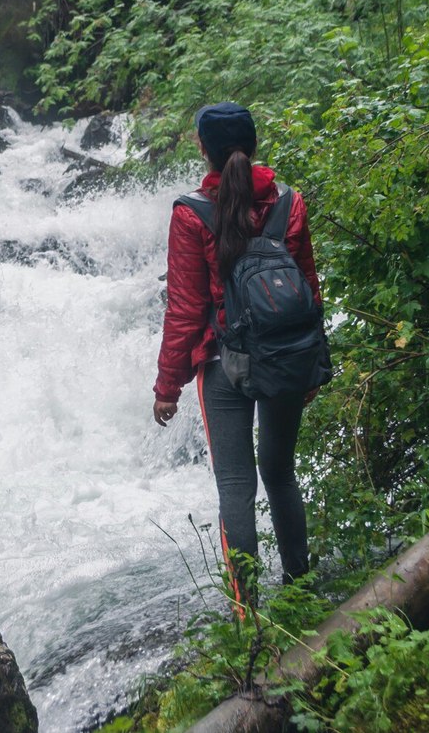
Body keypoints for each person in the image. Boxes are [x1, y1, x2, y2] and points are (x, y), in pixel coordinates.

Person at [152, 101, 321, 614]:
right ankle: (301, 594)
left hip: (223, 363)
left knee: (235, 483)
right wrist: (314, 363)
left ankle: (247, 619)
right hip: (289, 356)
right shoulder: (289, 202)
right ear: (253, 143)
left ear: (204, 149)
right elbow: (310, 287)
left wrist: (167, 387)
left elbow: (185, 309)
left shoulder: (191, 213)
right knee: (281, 472)